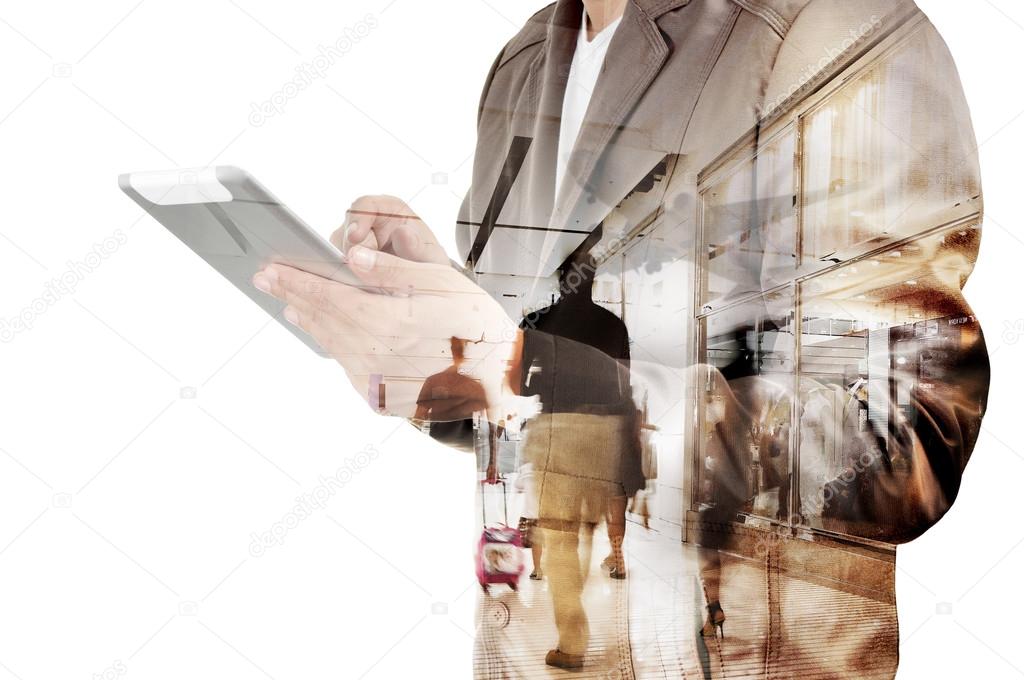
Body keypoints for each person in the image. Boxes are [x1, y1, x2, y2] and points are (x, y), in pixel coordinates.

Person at [252, 0, 990, 675]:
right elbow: (532, 394)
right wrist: (437, 350)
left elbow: (898, 443)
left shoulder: (833, 31)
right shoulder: (531, 58)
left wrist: (515, 368)